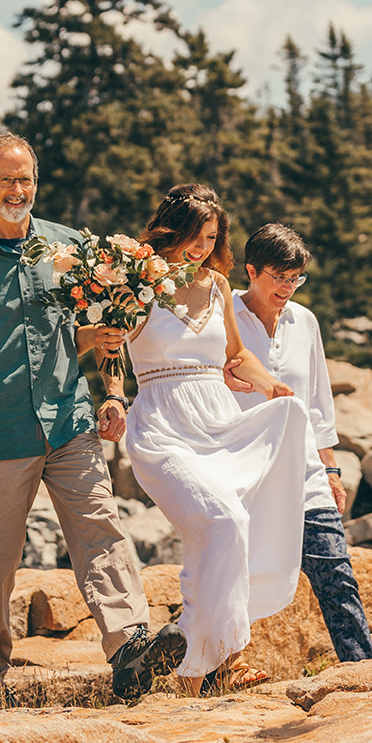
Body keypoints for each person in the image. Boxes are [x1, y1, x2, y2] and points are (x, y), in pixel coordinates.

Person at [0, 131, 186, 708]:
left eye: (26, 178)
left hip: (69, 424)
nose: (17, 189)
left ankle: (131, 646)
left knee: (102, 533)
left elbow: (101, 323)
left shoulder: (68, 250)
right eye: (6, 179)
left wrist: (112, 389)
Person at [123, 185, 328, 696]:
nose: (200, 247)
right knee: (224, 519)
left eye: (211, 237)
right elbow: (99, 343)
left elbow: (237, 356)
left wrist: (271, 387)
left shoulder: (216, 285)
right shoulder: (132, 281)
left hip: (216, 418)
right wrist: (107, 390)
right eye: (194, 235)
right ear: (172, 230)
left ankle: (211, 667)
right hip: (162, 422)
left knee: (219, 533)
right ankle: (206, 659)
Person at [232, 224, 372, 664]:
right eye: (279, 277)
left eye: (296, 278)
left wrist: (330, 470)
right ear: (251, 270)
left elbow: (317, 404)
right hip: (242, 467)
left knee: (335, 570)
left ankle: (363, 672)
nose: (288, 287)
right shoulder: (224, 316)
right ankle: (214, 669)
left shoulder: (305, 321)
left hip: (304, 470)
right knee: (233, 574)